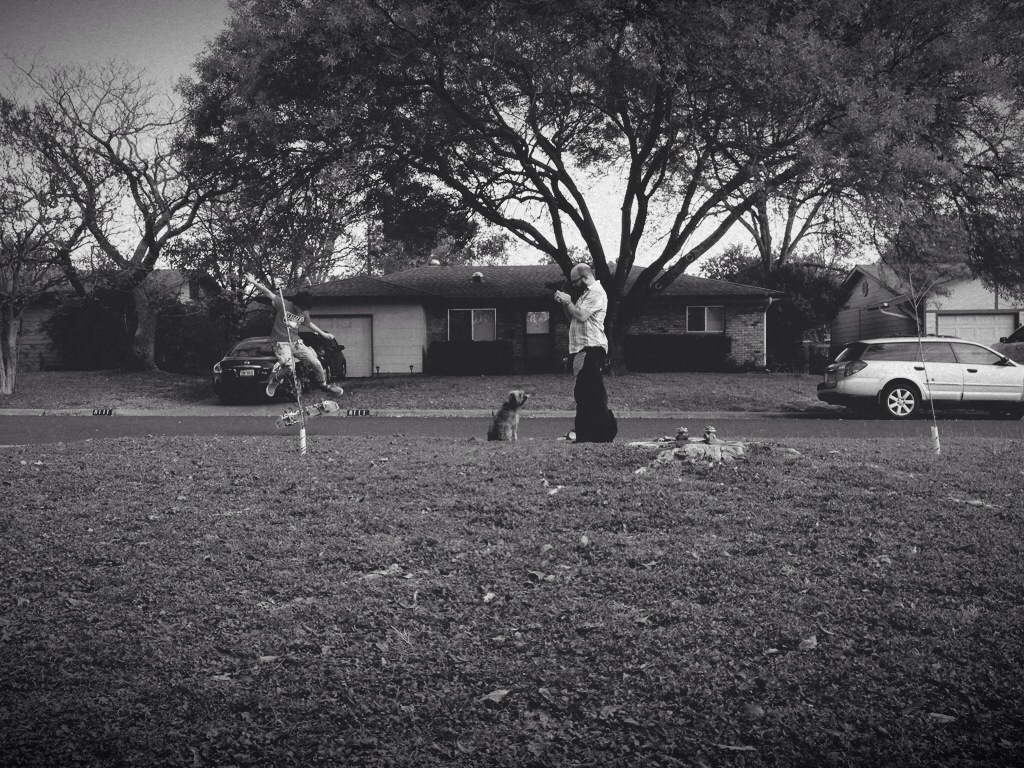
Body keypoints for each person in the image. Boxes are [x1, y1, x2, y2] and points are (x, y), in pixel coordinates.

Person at [245, 275, 344, 398]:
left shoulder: (304, 313)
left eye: (305, 309)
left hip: (296, 343)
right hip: (280, 342)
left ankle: (323, 385)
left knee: (316, 363)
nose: (302, 311)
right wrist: (254, 282)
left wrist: (323, 334)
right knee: (289, 368)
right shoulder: (283, 304)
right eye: (301, 308)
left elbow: (309, 325)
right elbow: (268, 293)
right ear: (295, 304)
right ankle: (275, 380)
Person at [554, 263, 617, 443]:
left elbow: (581, 316)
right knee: (585, 392)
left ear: (586, 276)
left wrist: (568, 301)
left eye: (576, 282)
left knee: (588, 392)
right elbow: (573, 317)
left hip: (591, 348)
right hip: (583, 348)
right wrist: (564, 304)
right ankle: (590, 433)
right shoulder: (585, 295)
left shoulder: (596, 292)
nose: (574, 286)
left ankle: (595, 433)